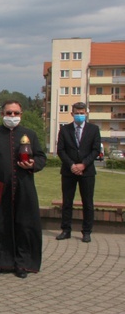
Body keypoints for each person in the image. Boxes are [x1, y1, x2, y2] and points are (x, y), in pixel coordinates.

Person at [0, 100, 46, 279]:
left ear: (21, 115)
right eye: (9, 113)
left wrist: (33, 164)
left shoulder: (29, 134)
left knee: (24, 226)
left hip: (24, 187)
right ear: (2, 115)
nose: (12, 116)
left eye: (16, 113)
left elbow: (41, 157)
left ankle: (22, 264)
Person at [56, 101, 101, 243]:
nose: (80, 116)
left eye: (82, 114)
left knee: (87, 203)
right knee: (67, 202)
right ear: (72, 114)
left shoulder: (94, 129)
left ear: (86, 114)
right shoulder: (64, 130)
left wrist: (83, 165)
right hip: (69, 171)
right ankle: (66, 230)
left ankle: (86, 232)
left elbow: (95, 150)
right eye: (77, 113)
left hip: (87, 172)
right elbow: (61, 150)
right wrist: (72, 165)